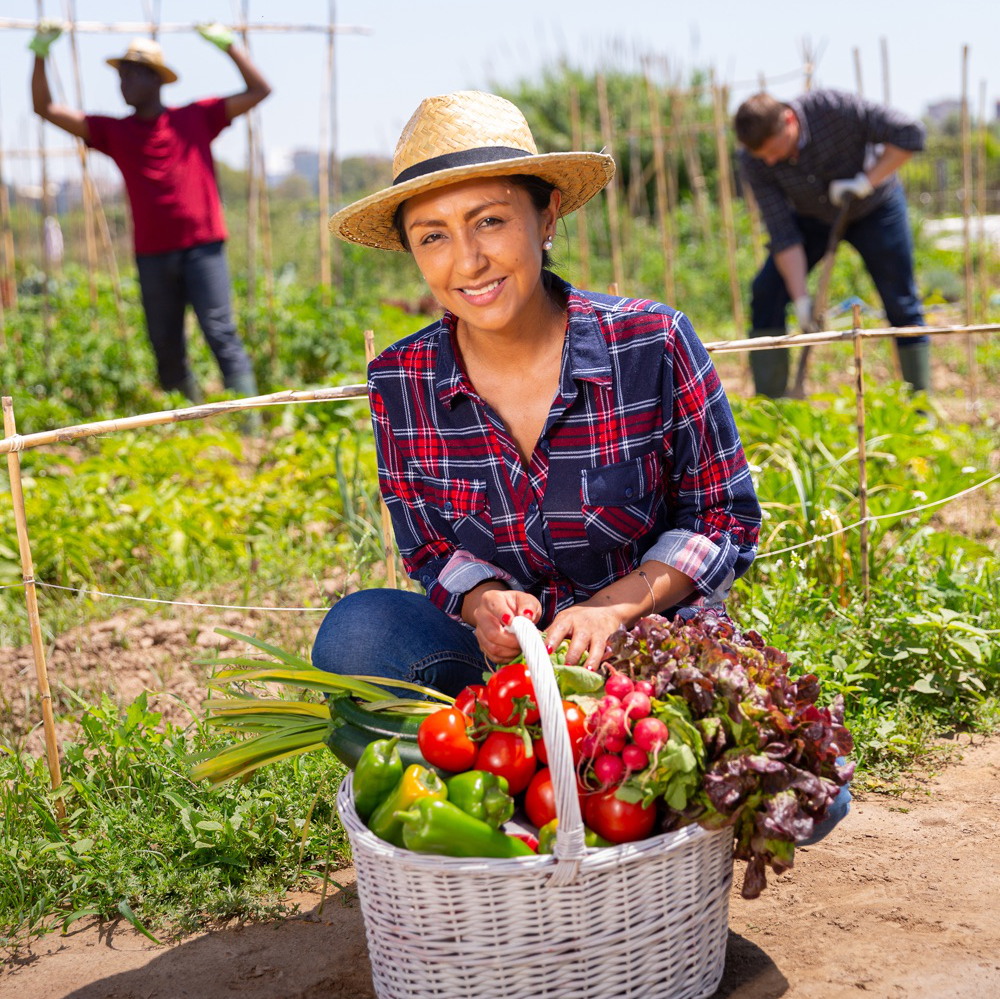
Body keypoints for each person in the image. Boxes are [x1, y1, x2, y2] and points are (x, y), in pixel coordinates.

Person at [312, 89, 762, 691]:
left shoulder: (649, 342)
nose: (468, 261)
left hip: (651, 643)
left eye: (489, 221)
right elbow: (430, 548)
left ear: (547, 217)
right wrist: (484, 602)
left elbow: (720, 517)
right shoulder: (401, 380)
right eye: (433, 236)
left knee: (805, 785)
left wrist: (612, 610)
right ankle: (473, 761)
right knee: (358, 631)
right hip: (500, 665)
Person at [29, 22, 270, 405]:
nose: (123, 84)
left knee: (220, 332)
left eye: (133, 75)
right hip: (153, 254)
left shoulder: (195, 118)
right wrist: (40, 53)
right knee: (165, 344)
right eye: (121, 76)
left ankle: (249, 424)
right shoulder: (113, 132)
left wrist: (230, 47)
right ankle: (186, 422)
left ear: (158, 80)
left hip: (202, 248)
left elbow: (260, 90)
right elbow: (44, 108)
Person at [735, 89, 930, 399]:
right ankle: (771, 406)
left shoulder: (833, 110)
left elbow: (910, 133)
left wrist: (866, 181)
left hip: (873, 206)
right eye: (763, 156)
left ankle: (921, 407)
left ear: (789, 120)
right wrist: (801, 299)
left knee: (901, 300)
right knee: (767, 291)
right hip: (813, 218)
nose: (770, 160)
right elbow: (782, 231)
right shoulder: (754, 161)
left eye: (774, 149)